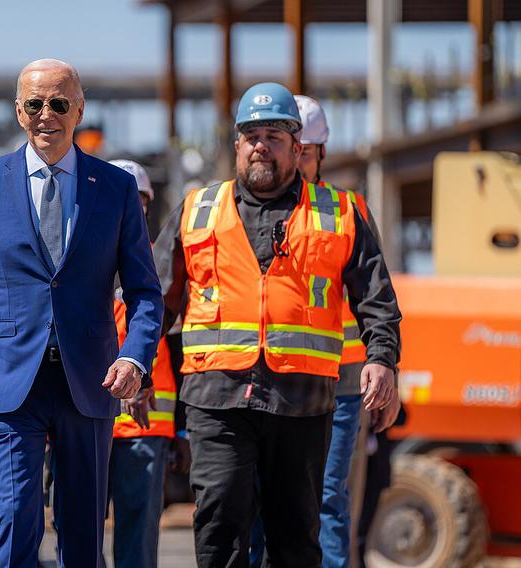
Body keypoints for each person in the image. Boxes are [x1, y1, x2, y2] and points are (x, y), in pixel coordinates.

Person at [153, 82, 402, 568]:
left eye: (274, 134)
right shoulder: (197, 210)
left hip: (302, 400)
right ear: (238, 145)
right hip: (217, 396)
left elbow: (376, 297)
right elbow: (157, 300)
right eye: (251, 135)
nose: (261, 144)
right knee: (221, 519)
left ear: (297, 146)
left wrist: (383, 358)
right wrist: (134, 362)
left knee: (294, 535)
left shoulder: (339, 213)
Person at [0, 59, 163, 568]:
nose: (46, 115)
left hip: (90, 380)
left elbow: (146, 292)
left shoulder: (116, 188)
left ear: (78, 110)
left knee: (83, 534)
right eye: (34, 104)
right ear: (19, 111)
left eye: (59, 103)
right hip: (9, 380)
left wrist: (134, 359)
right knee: (16, 522)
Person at [248, 96, 401, 568]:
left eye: (309, 151)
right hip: (276, 377)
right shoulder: (255, 210)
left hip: (343, 382)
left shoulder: (346, 211)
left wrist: (386, 369)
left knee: (327, 497)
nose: (300, 160)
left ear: (317, 153)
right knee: (259, 499)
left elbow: (375, 298)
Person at [107, 159, 190, 568]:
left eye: (137, 201)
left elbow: (181, 347)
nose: (128, 207)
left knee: (138, 541)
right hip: (89, 416)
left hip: (147, 422)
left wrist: (185, 430)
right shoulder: (81, 256)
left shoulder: (164, 263)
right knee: (77, 533)